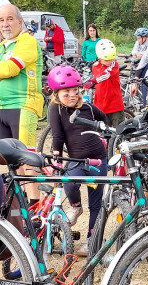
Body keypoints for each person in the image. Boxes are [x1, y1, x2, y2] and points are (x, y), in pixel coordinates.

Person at [45, 65, 107, 255]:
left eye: (75, 90)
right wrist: (56, 158)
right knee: (69, 183)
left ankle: (92, 239)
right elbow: (58, 136)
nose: (72, 95)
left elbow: (104, 120)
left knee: (96, 203)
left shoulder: (87, 106)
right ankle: (76, 206)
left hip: (98, 160)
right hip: (76, 160)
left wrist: (105, 137)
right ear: (56, 93)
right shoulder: (55, 109)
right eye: (66, 92)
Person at [0, 3, 43, 148]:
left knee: (26, 161)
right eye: (1, 20)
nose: (5, 24)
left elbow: (11, 69)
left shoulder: (28, 41)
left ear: (20, 21)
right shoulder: (3, 45)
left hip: (23, 106)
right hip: (1, 108)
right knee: (11, 164)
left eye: (9, 19)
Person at [90, 38, 126, 127]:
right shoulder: (95, 66)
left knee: (118, 133)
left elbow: (105, 75)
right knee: (105, 134)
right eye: (106, 60)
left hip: (115, 105)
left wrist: (93, 81)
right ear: (99, 58)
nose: (110, 62)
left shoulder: (114, 65)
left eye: (111, 59)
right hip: (101, 105)